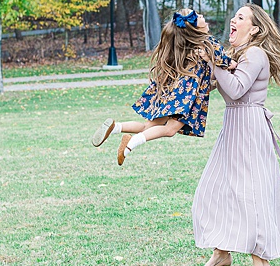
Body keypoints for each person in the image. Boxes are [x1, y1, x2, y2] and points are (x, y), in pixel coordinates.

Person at [191, 4, 280, 266]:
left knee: (249, 194)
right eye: (235, 16)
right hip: (233, 127)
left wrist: (213, 61)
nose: (234, 19)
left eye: (241, 17)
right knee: (215, 189)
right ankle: (221, 253)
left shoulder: (255, 54)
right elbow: (212, 83)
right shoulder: (234, 56)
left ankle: (263, 265)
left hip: (249, 127)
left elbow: (234, 89)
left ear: (254, 29)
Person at [91, 9, 233, 164]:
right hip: (186, 98)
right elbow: (229, 64)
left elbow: (205, 76)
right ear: (195, 27)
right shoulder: (208, 44)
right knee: (170, 130)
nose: (202, 16)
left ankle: (116, 127)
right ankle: (130, 145)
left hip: (177, 92)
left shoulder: (188, 45)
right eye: (198, 16)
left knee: (149, 126)